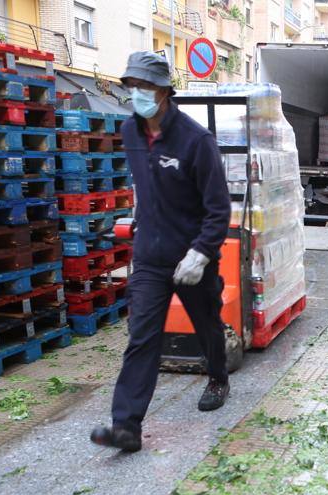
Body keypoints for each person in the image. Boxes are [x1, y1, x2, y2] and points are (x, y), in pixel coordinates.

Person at [90, 52, 231, 453]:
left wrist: (201, 253)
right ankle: (126, 427)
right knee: (142, 337)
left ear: (165, 92)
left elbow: (218, 207)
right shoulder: (129, 132)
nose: (137, 94)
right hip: (150, 257)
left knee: (207, 326)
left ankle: (218, 376)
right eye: (132, 86)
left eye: (146, 87)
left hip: (192, 256)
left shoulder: (195, 140)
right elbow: (146, 186)